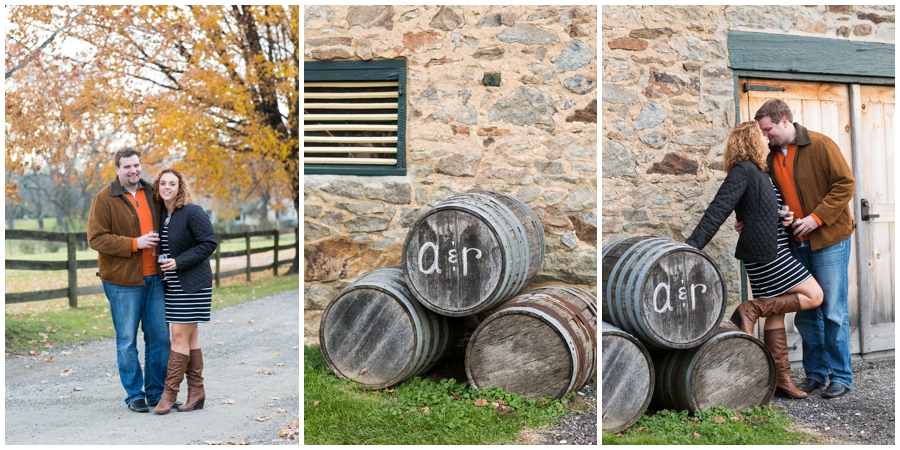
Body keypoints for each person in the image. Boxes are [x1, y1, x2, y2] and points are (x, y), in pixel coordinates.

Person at [685, 121, 823, 399]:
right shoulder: (743, 170)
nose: (766, 136)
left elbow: (755, 210)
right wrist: (690, 247)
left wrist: (783, 217)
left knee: (776, 315)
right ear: (750, 139)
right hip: (766, 254)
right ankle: (750, 309)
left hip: (772, 248)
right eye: (761, 134)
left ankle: (780, 380)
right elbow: (718, 209)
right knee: (814, 295)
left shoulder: (761, 171)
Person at [753, 98, 856, 399]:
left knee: (833, 310)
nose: (765, 135)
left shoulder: (822, 145)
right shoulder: (770, 157)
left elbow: (845, 185)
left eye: (768, 129)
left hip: (829, 240)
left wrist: (815, 218)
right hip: (794, 242)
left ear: (784, 121)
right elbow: (773, 196)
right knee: (806, 312)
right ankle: (815, 374)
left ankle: (840, 376)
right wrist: (780, 215)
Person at [87, 147, 170, 413]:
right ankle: (134, 394)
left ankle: (156, 394)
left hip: (155, 278)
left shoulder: (153, 194)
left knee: (160, 339)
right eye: (127, 167)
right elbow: (96, 239)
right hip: (122, 281)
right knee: (126, 341)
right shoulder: (104, 198)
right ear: (118, 170)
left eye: (136, 165)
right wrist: (135, 243)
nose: (133, 170)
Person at [151, 168, 218, 414]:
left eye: (172, 183)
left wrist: (178, 262)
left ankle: (169, 395)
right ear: (158, 187)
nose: (167, 187)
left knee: (178, 336)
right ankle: (197, 392)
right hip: (172, 284)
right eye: (163, 183)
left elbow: (209, 243)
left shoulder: (193, 211)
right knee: (190, 338)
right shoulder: (160, 215)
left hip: (192, 283)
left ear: (180, 188)